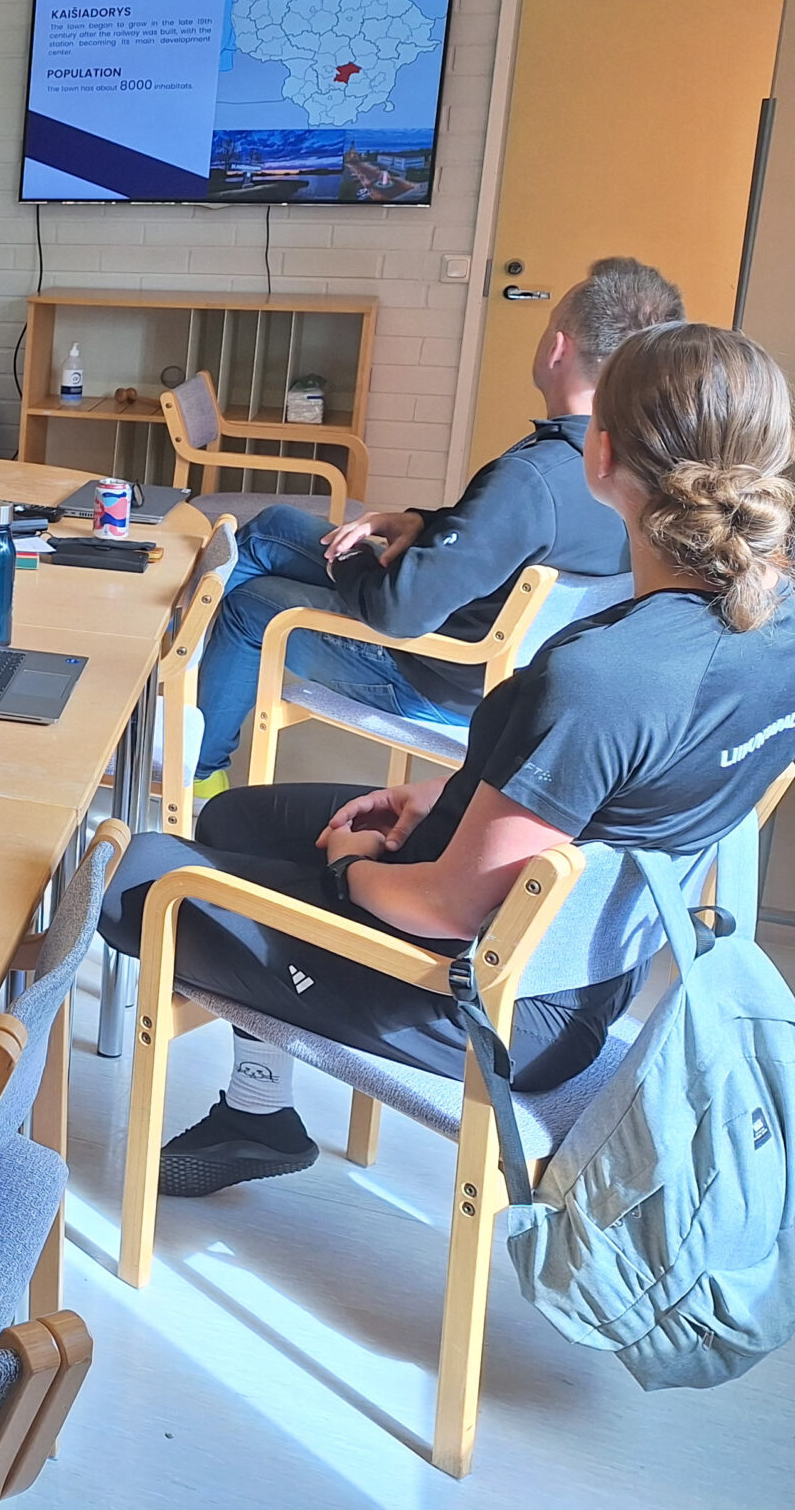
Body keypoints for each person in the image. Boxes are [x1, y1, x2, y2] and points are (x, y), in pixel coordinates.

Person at [107, 321, 795, 1195]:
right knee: (239, 816)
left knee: (129, 875)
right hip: (588, 975)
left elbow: (448, 907)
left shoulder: (604, 675)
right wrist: (456, 796)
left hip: (476, 999)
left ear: (601, 454)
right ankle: (258, 1113)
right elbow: (631, 787)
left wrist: (347, 873)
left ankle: (263, 1075)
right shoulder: (770, 625)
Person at [189, 256, 684, 799]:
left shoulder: (533, 477)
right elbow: (513, 535)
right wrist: (422, 523)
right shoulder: (644, 465)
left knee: (251, 604)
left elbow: (398, 612)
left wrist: (350, 553)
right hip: (508, 670)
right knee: (274, 527)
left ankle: (196, 767)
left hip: (437, 672)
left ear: (557, 348)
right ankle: (184, 673)